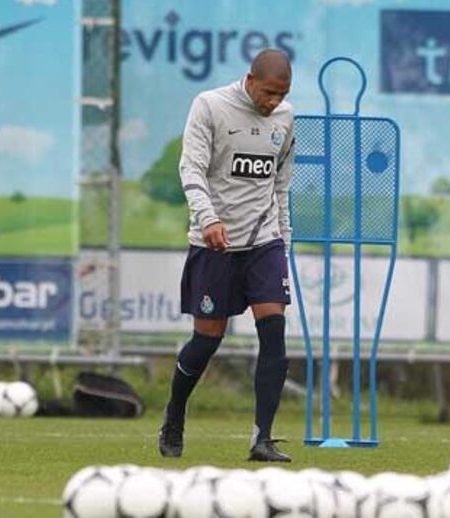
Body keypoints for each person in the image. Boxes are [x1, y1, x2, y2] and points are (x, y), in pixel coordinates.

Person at [158, 49, 295, 462]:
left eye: (282, 94)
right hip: (213, 241)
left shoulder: (286, 118)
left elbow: (281, 184)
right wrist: (208, 219)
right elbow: (191, 169)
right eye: (269, 92)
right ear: (250, 80)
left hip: (263, 241)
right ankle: (175, 412)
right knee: (207, 340)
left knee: (274, 332)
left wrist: (283, 241)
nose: (274, 102)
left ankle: (262, 439)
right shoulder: (210, 105)